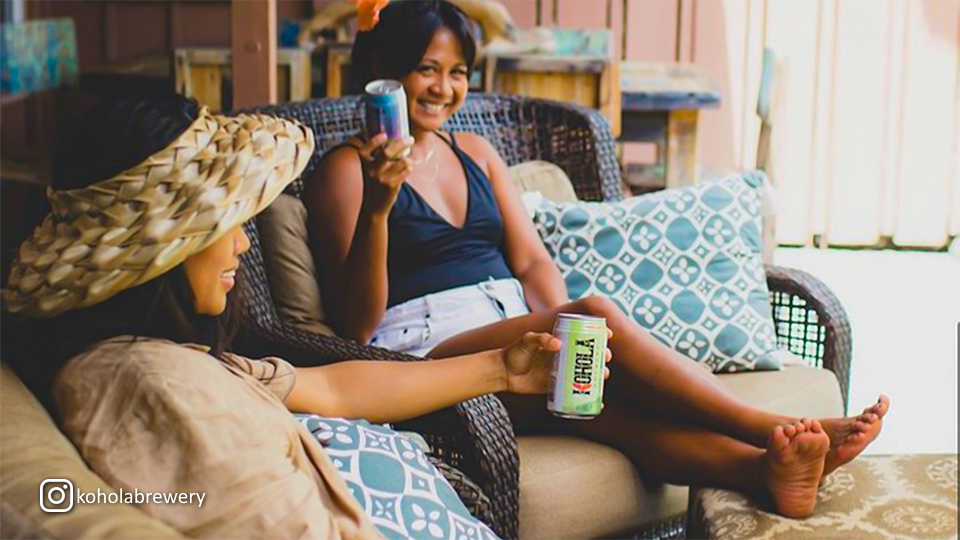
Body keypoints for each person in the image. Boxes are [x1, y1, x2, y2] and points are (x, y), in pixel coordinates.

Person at [304, 0, 889, 519]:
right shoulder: (346, 169)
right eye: (427, 68)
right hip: (427, 357)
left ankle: (765, 471)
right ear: (387, 73)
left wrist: (557, 333)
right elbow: (356, 324)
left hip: (516, 340)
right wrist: (379, 207)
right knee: (593, 314)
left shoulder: (476, 152)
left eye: (457, 72)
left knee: (609, 410)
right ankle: (765, 426)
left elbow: (531, 263)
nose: (444, 88)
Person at [1, 95, 588, 540]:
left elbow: (331, 385)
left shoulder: (165, 360)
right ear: (162, 249)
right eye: (225, 224)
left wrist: (502, 371)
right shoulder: (159, 391)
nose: (243, 246)